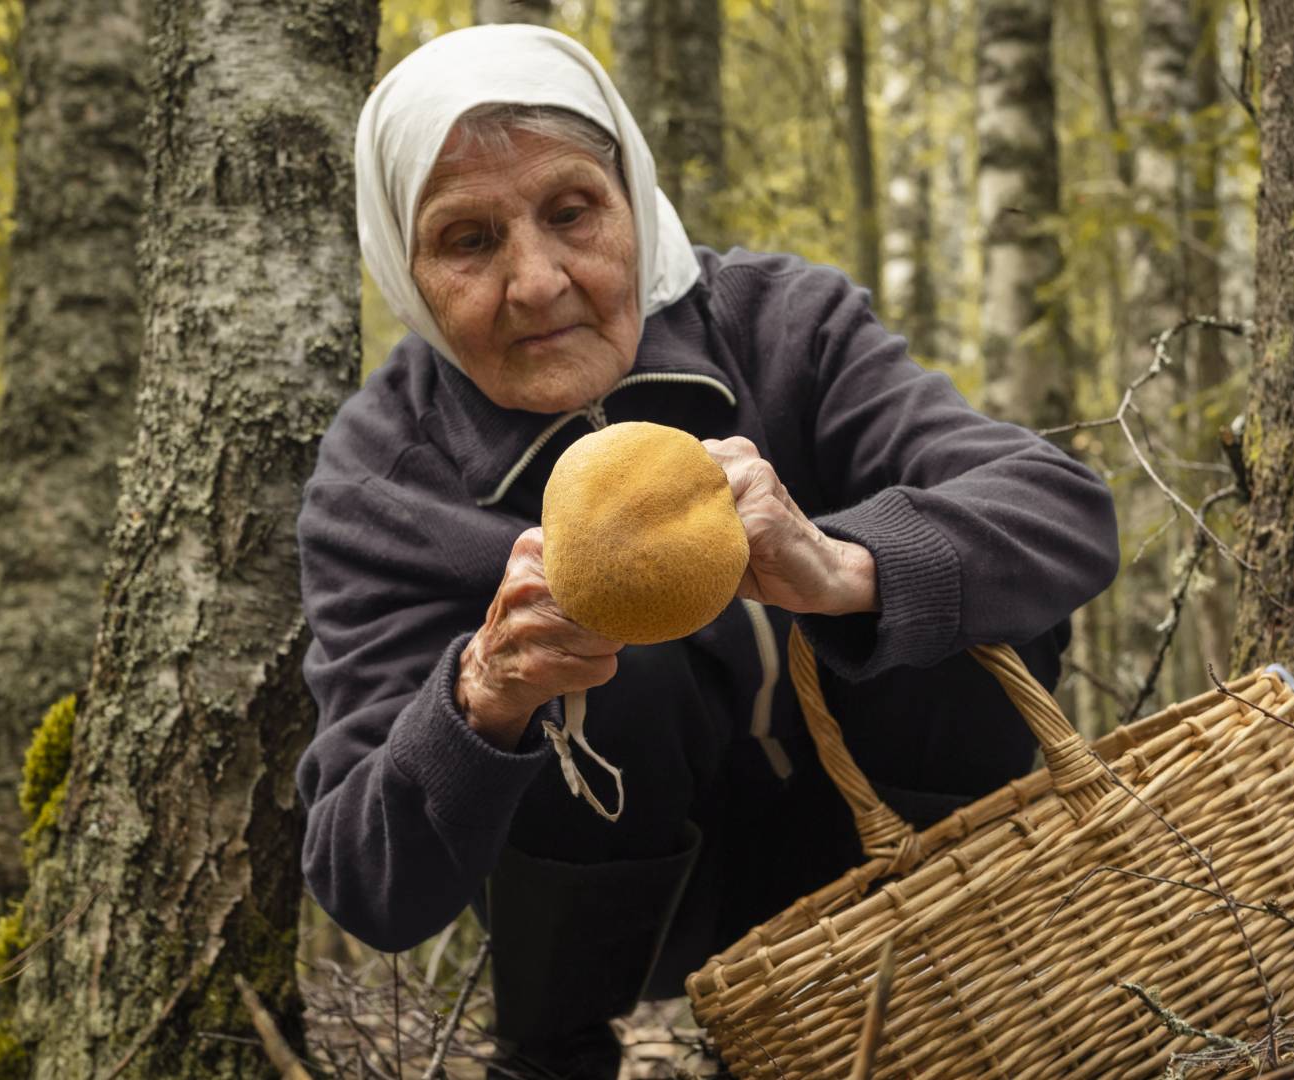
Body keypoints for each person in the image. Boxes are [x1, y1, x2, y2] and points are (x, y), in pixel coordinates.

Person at [296, 23, 1119, 1079]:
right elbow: (365, 884)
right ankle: (555, 1052)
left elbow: (1062, 511)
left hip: (891, 864)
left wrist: (844, 567)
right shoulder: (383, 478)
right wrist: (483, 691)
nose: (537, 282)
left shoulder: (783, 328)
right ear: (405, 272)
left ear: (633, 203)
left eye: (571, 213)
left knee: (947, 585)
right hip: (624, 921)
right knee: (610, 660)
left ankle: (928, 987)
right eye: (468, 240)